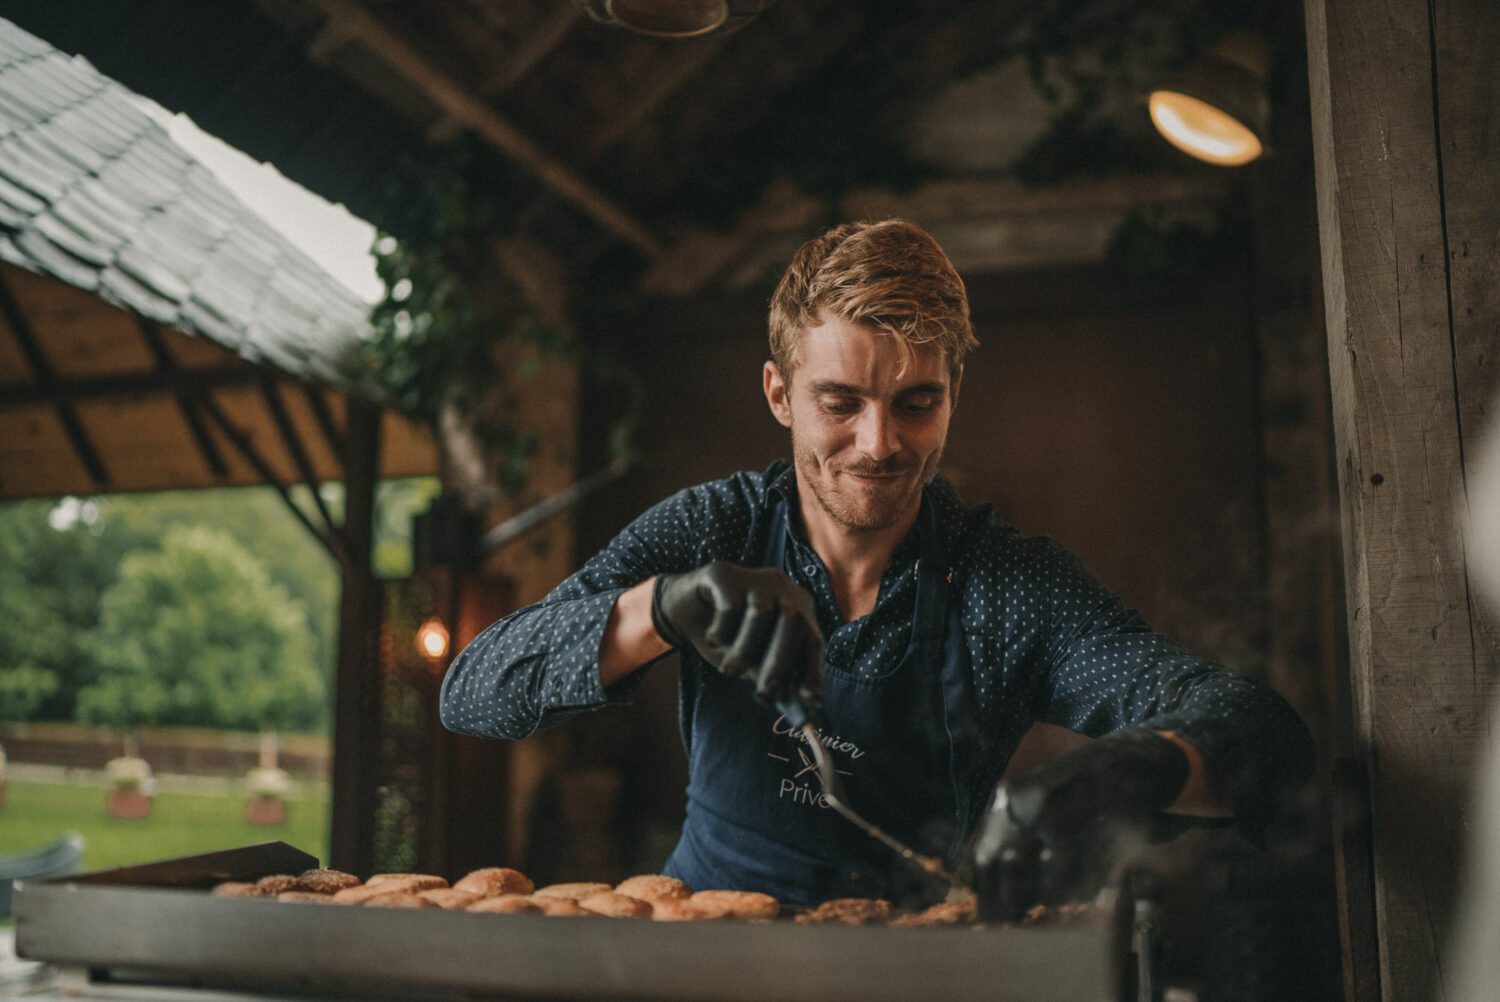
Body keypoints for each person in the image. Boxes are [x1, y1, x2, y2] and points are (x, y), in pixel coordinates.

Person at [439, 219, 1315, 910]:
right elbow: (473, 691)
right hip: (696, 948)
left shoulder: (1009, 588)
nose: (878, 443)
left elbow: (1269, 739)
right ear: (780, 394)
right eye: (841, 402)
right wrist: (660, 609)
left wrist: (1137, 770)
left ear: (953, 395)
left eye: (915, 403)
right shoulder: (714, 529)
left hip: (905, 964)